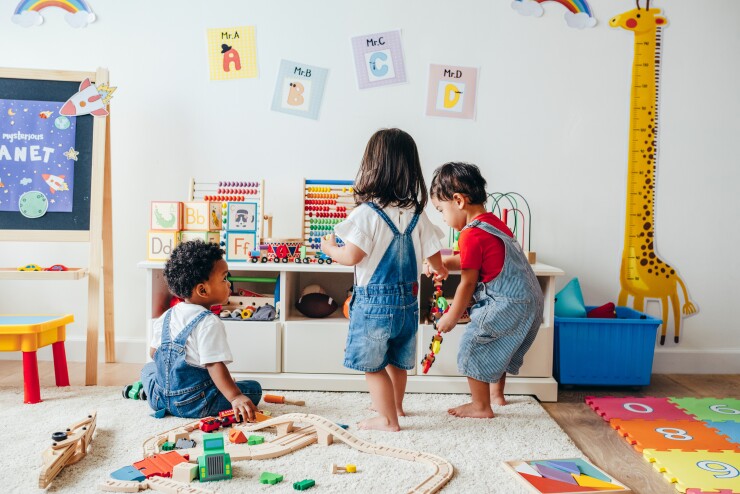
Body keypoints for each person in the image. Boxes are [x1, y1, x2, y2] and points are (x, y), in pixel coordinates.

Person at [321, 128, 447, 431]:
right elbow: (436, 260)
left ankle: (387, 419)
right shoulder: (417, 213)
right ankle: (397, 407)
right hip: (408, 304)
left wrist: (329, 249)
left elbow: (352, 256)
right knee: (396, 360)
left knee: (373, 366)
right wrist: (435, 269)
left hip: (374, 305)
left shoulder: (367, 213)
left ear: (372, 167)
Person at [426, 162, 543, 419]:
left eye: (441, 211)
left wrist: (452, 316)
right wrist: (444, 262)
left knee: (474, 344)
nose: (443, 219)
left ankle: (480, 406)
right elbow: (475, 260)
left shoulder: (469, 235)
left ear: (458, 201)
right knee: (499, 345)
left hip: (505, 301)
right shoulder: (493, 224)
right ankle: (496, 395)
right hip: (530, 300)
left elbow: (468, 282)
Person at [140, 240, 262, 421]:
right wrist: (235, 397)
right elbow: (214, 365)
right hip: (195, 404)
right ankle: (229, 394)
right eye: (224, 278)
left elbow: (153, 353)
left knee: (148, 369)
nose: (229, 284)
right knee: (253, 389)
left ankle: (147, 392)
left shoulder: (167, 316)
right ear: (203, 290)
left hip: (160, 399)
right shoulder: (208, 322)